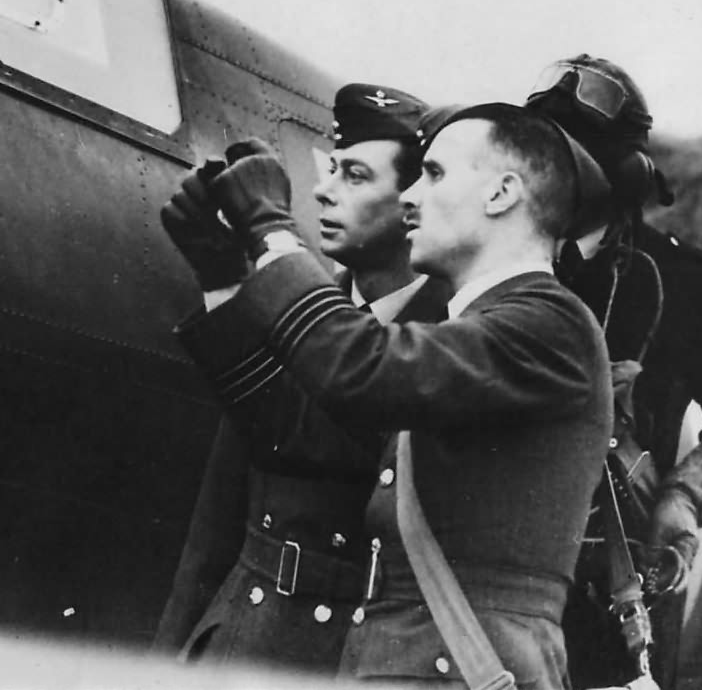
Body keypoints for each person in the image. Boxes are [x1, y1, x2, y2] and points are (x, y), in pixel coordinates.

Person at [163, 102, 614, 688]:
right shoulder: (488, 324)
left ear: (502, 193)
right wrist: (222, 273)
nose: (410, 197)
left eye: (436, 174)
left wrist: (273, 230)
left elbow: (361, 370)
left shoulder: (550, 323)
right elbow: (306, 441)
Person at [153, 84, 449, 671]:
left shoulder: (451, 335)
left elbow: (325, 433)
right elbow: (214, 530)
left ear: (412, 201)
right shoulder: (284, 308)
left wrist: (233, 282)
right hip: (235, 642)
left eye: (356, 176)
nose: (322, 188)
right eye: (332, 168)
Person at [525, 54, 702, 690]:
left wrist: (684, 498)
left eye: (573, 149)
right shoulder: (475, 257)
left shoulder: (686, 284)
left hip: (610, 596)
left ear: (623, 175)